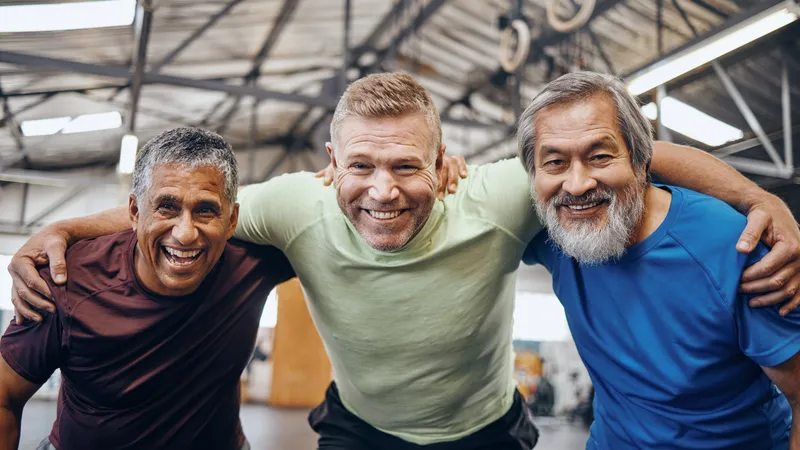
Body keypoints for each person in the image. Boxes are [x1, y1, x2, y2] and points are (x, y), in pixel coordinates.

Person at [8, 73, 800, 450]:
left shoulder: (502, 195)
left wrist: (760, 200)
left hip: (488, 431)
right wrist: (67, 230)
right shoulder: (292, 204)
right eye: (361, 167)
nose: (382, 192)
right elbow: (184, 208)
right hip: (361, 432)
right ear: (331, 164)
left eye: (406, 167)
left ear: (442, 161)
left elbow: (623, 152)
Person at [519, 71, 800, 449]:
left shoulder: (731, 246)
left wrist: (757, 198)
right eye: (554, 163)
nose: (578, 184)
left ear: (640, 161)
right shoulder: (559, 227)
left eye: (600, 157)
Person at [0, 128, 295, 450]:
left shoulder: (250, 262)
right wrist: (62, 229)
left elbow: (331, 216)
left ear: (232, 219)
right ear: (134, 212)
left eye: (206, 210)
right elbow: (4, 395)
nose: (185, 234)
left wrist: (346, 169)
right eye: (167, 207)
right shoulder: (66, 280)